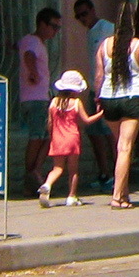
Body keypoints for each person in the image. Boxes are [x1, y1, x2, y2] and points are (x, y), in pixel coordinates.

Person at [96, 1, 139, 209]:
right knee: (125, 148)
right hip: (131, 99)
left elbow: (99, 75)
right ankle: (117, 197)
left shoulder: (105, 45)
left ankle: (124, 194)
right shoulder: (138, 45)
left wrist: (97, 98)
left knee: (120, 149)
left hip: (109, 99)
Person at [38, 71, 104, 206]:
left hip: (57, 138)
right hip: (72, 139)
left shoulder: (54, 102)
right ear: (75, 90)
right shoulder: (76, 103)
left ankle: (47, 184)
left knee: (57, 168)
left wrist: (52, 136)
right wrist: (102, 113)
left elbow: (50, 123)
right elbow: (86, 120)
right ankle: (72, 196)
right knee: (73, 170)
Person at [72, 0, 117, 183]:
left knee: (110, 133)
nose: (82, 18)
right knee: (93, 132)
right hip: (94, 88)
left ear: (92, 10)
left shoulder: (106, 28)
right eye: (78, 16)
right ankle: (104, 174)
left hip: (108, 88)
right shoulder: (91, 32)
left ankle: (118, 174)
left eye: (84, 13)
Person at [17, 7, 61, 194]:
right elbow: (28, 56)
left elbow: (20, 49)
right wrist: (33, 73)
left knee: (46, 136)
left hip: (39, 97)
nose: (55, 31)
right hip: (35, 99)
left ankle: (35, 171)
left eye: (58, 28)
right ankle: (30, 176)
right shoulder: (33, 41)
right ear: (42, 24)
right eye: (53, 26)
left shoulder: (32, 41)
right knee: (37, 136)